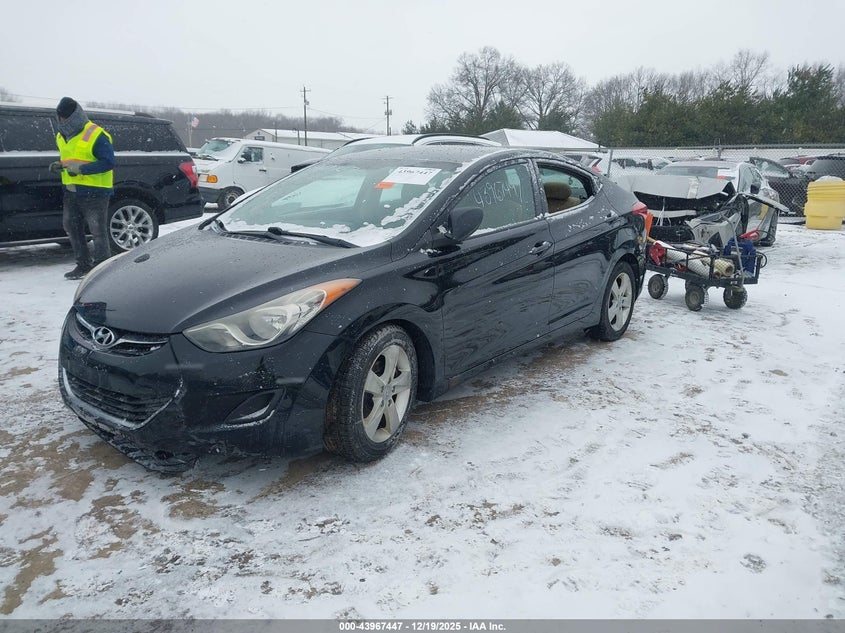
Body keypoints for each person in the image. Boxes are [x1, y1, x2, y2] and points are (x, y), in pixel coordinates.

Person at [49, 97, 115, 280]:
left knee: (98, 231)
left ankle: (102, 269)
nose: (61, 121)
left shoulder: (96, 134)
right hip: (72, 191)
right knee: (72, 226)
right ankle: (83, 265)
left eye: (64, 117)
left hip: (95, 192)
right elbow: (71, 158)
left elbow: (108, 162)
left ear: (73, 116)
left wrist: (83, 169)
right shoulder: (61, 135)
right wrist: (60, 165)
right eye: (59, 117)